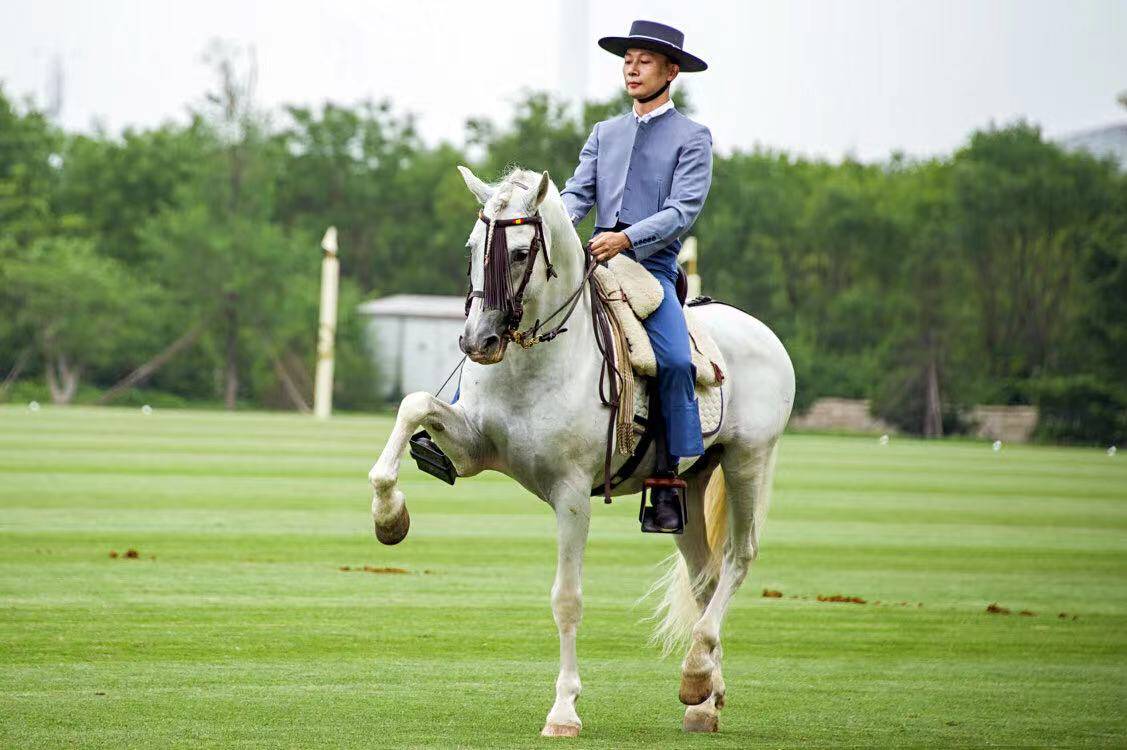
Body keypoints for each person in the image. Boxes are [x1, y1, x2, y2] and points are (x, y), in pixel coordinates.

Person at [561, 20, 713, 533]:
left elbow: (682, 210)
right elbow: (577, 194)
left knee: (672, 360)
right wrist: (546, 223)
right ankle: (453, 423)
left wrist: (626, 240)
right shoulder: (605, 132)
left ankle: (667, 479)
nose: (631, 66)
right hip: (595, 258)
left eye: (644, 60)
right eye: (628, 58)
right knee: (509, 308)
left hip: (650, 267)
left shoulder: (693, 138)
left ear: (672, 71)